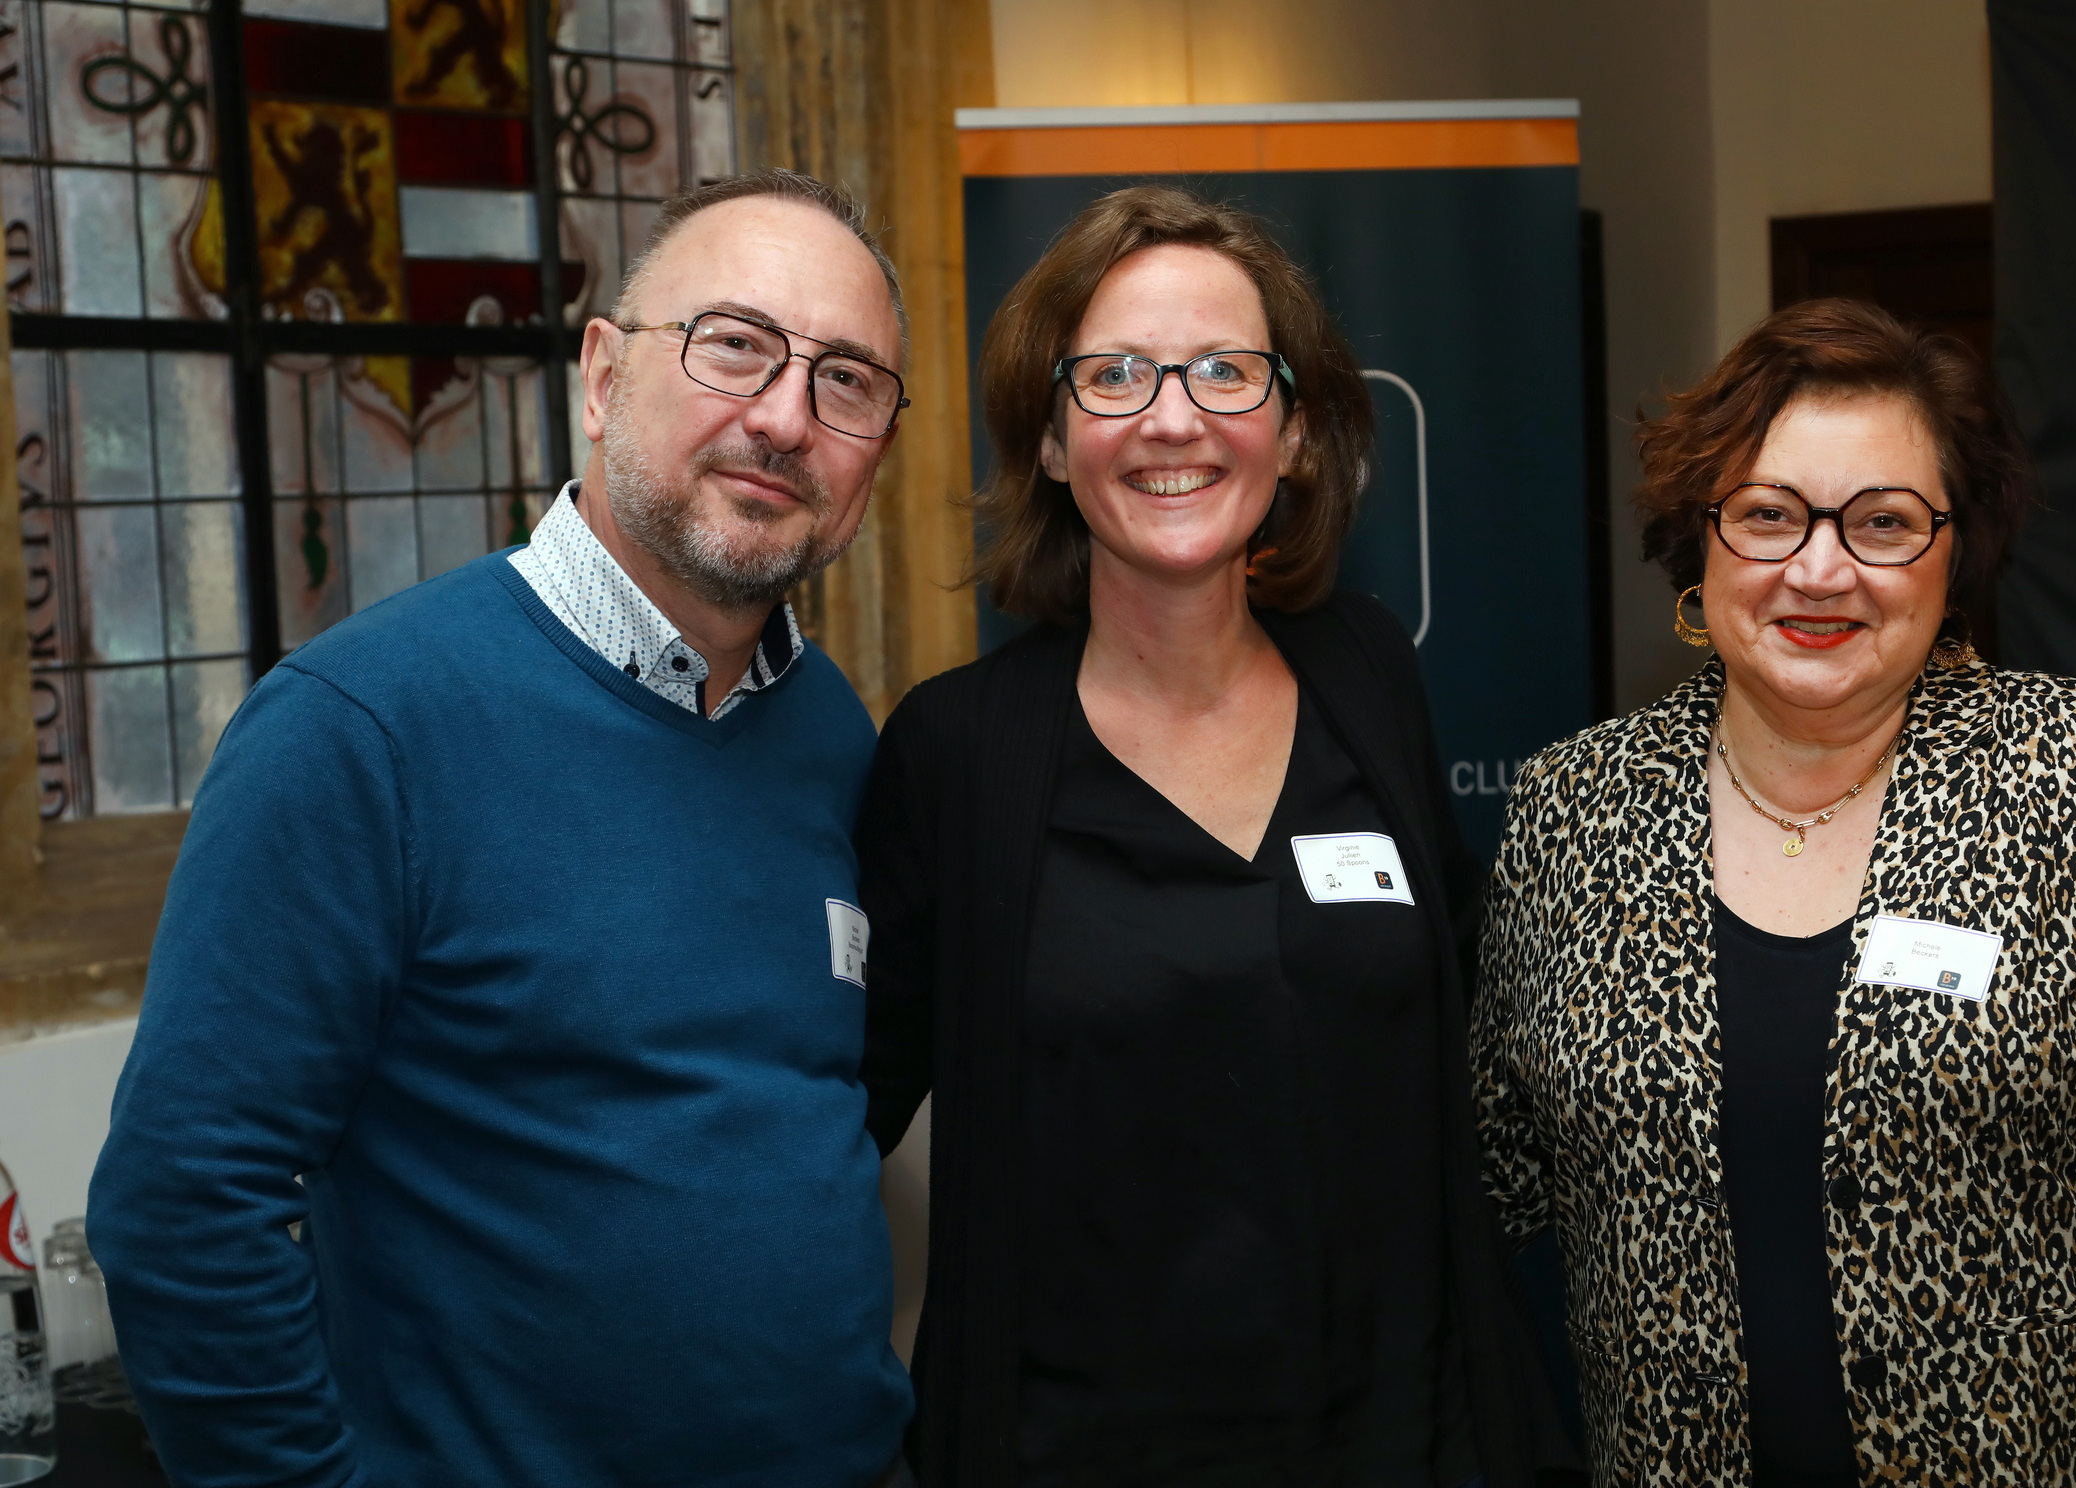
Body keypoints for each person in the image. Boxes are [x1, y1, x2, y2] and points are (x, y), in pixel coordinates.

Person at [88, 169, 916, 1487]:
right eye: (735, 346)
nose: (782, 418)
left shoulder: (829, 732)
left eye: (847, 381)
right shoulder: (360, 728)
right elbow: (183, 1206)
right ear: (602, 377)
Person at [856, 184, 1573, 1488]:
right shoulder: (958, 754)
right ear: (1052, 441)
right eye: (1115, 375)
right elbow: (828, 1115)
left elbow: (1469, 1029)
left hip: (1405, 1445)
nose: (1174, 418)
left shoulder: (1367, 675)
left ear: (1293, 432)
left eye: (1226, 371)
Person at [1473, 297, 2076, 1486]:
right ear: (1700, 536)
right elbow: (1498, 1176)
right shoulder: (1576, 809)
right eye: (1769, 515)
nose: (1819, 570)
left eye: (1883, 522)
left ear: (1954, 552)